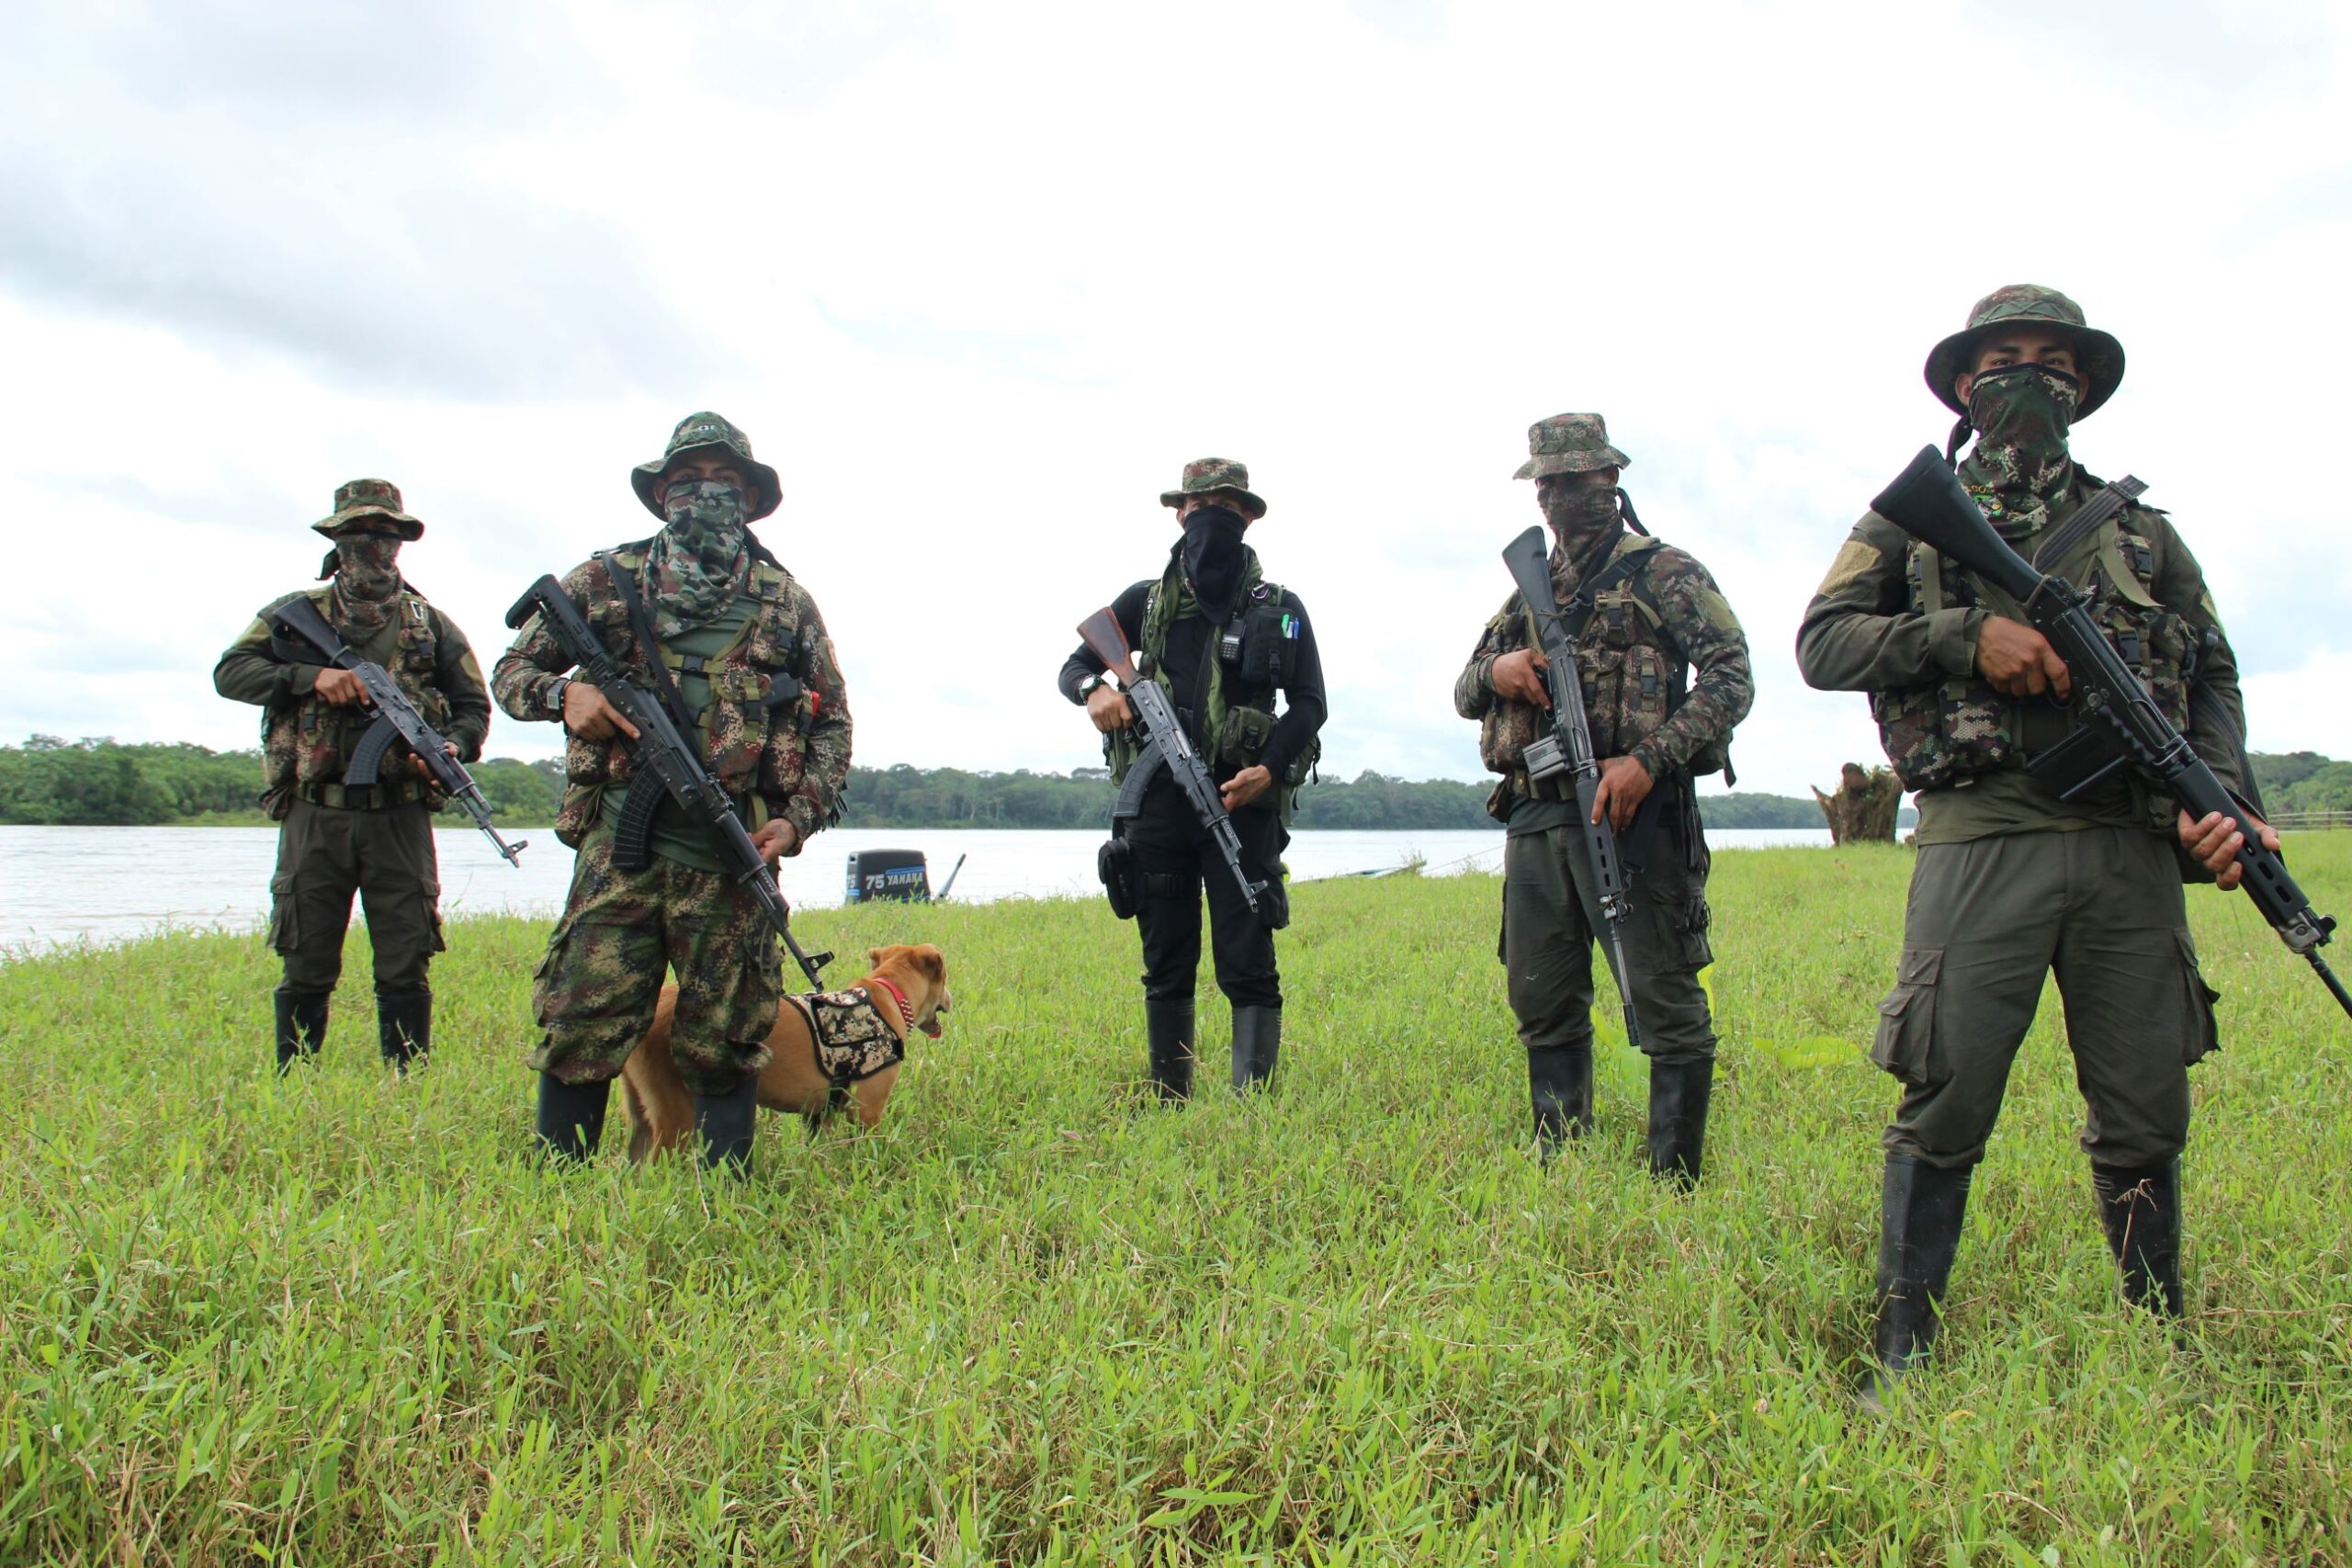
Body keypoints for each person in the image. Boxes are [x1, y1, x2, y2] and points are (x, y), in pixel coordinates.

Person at [1796, 285, 2269, 1398]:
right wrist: (1967, 637)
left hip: (2127, 848)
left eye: (2051, 362)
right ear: (1965, 384)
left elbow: (2209, 673)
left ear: (2082, 389)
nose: (2026, 378)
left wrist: (2229, 796)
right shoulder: (1909, 522)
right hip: (1982, 833)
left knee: (2147, 1101)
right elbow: (1823, 643)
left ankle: (2160, 1343)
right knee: (1946, 1090)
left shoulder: (2144, 533)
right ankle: (1903, 1352)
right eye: (2003, 358)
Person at [493, 412, 851, 1173]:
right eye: (690, 482)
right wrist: (566, 699)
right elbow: (510, 675)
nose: (708, 496)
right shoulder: (603, 582)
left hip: (731, 855)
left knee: (729, 1033)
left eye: (726, 483)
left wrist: (795, 820)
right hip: (619, 850)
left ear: (752, 500)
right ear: (661, 495)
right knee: (581, 1023)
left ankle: (725, 1203)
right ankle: (557, 1195)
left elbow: (834, 727)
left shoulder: (785, 602)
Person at [1454, 413, 1753, 1182]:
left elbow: (1731, 676)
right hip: (1536, 814)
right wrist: (1502, 672)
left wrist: (1648, 761)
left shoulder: (1665, 572)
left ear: (1612, 481)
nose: (1563, 496)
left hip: (1635, 816)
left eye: (1581, 480)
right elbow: (1463, 688)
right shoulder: (1528, 588)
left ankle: (1674, 1179)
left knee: (1664, 998)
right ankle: (1562, 1160)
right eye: (1550, 483)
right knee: (1540, 994)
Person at [1058, 458, 1326, 1100]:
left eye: (1227, 509)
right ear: (1179, 514)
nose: (1211, 519)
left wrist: (1269, 768)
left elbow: (1311, 703)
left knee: (1248, 954)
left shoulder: (1281, 608)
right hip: (1157, 809)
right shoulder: (1142, 603)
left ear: (1249, 517)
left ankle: (1250, 1102)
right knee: (1166, 957)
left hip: (1243, 806)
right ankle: (1169, 1091)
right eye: (1200, 507)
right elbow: (1072, 665)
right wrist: (1094, 690)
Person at [213, 479, 492, 1074]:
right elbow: (230, 672)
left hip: (400, 813)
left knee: (405, 956)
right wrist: (308, 679)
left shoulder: (432, 625)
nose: (374, 544)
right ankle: (296, 1079)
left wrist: (451, 746)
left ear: (402, 541)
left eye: (386, 533)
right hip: (315, 811)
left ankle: (407, 1080)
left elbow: (474, 708)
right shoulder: (295, 616)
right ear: (335, 539)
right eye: (360, 533)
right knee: (306, 956)